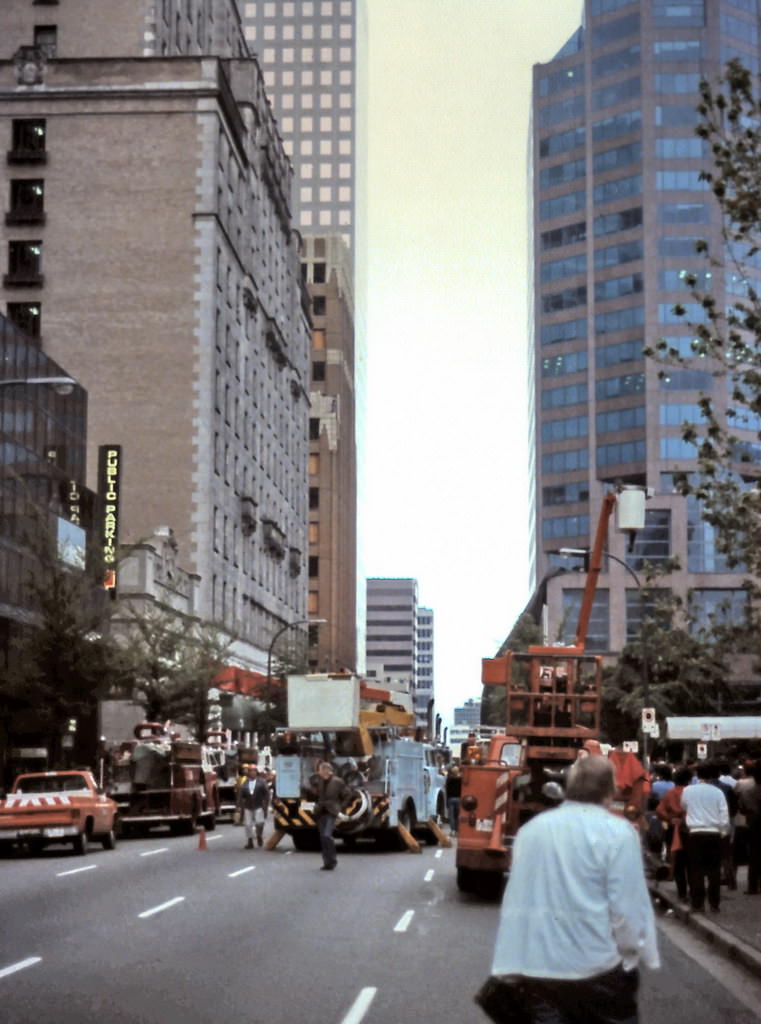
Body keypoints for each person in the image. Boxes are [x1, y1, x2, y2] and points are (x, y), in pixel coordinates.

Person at [490, 755, 659, 1024]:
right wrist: (635, 954)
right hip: (599, 971)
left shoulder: (531, 831)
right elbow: (628, 908)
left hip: (539, 972)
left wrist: (508, 965)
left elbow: (516, 902)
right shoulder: (619, 832)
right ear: (610, 790)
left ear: (568, 787)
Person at [681, 761, 730, 912]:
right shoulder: (718, 792)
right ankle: (714, 903)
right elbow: (724, 814)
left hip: (695, 833)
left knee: (696, 870)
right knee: (714, 870)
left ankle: (698, 903)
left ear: (697, 774)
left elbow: (683, 806)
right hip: (714, 833)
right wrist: (723, 832)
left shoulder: (688, 790)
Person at [656, 765, 692, 903]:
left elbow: (660, 810)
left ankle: (682, 893)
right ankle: (693, 891)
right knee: (691, 861)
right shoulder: (691, 792)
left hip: (674, 828)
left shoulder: (671, 793)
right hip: (689, 828)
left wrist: (670, 819)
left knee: (678, 862)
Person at [312, 760, 351, 871]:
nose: (318, 772)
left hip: (331, 812)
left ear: (326, 771)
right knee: (322, 838)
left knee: (327, 835)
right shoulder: (318, 781)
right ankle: (327, 862)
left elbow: (348, 794)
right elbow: (317, 796)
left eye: (319, 769)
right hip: (320, 812)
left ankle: (332, 860)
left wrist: (341, 807)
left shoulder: (338, 782)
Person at [738, 760, 761, 895]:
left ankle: (753, 886)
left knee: (754, 856)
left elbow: (742, 809)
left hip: (754, 826)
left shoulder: (747, 793)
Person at [237, 763, 270, 849]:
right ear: (248, 772)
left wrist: (266, 805)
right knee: (248, 824)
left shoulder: (261, 782)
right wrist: (239, 806)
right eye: (250, 771)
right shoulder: (245, 783)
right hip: (248, 806)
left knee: (260, 823)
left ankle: (259, 835)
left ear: (256, 772)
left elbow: (266, 794)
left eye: (254, 771)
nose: (252, 773)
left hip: (258, 805)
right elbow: (241, 795)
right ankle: (250, 841)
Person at [445, 764, 462, 836]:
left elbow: (447, 790)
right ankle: (457, 830)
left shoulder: (449, 779)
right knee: (457, 815)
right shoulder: (461, 780)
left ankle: (453, 830)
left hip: (450, 799)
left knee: (451, 816)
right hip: (459, 799)